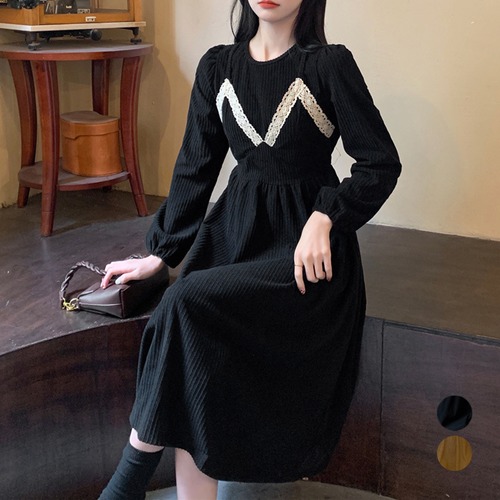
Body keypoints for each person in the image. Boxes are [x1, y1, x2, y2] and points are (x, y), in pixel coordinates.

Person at [99, 0, 401, 498]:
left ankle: (128, 477)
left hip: (304, 258)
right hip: (235, 236)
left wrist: (327, 216)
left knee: (186, 303)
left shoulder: (329, 65)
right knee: (191, 329)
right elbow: (195, 167)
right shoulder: (218, 66)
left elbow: (380, 164)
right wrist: (160, 254)